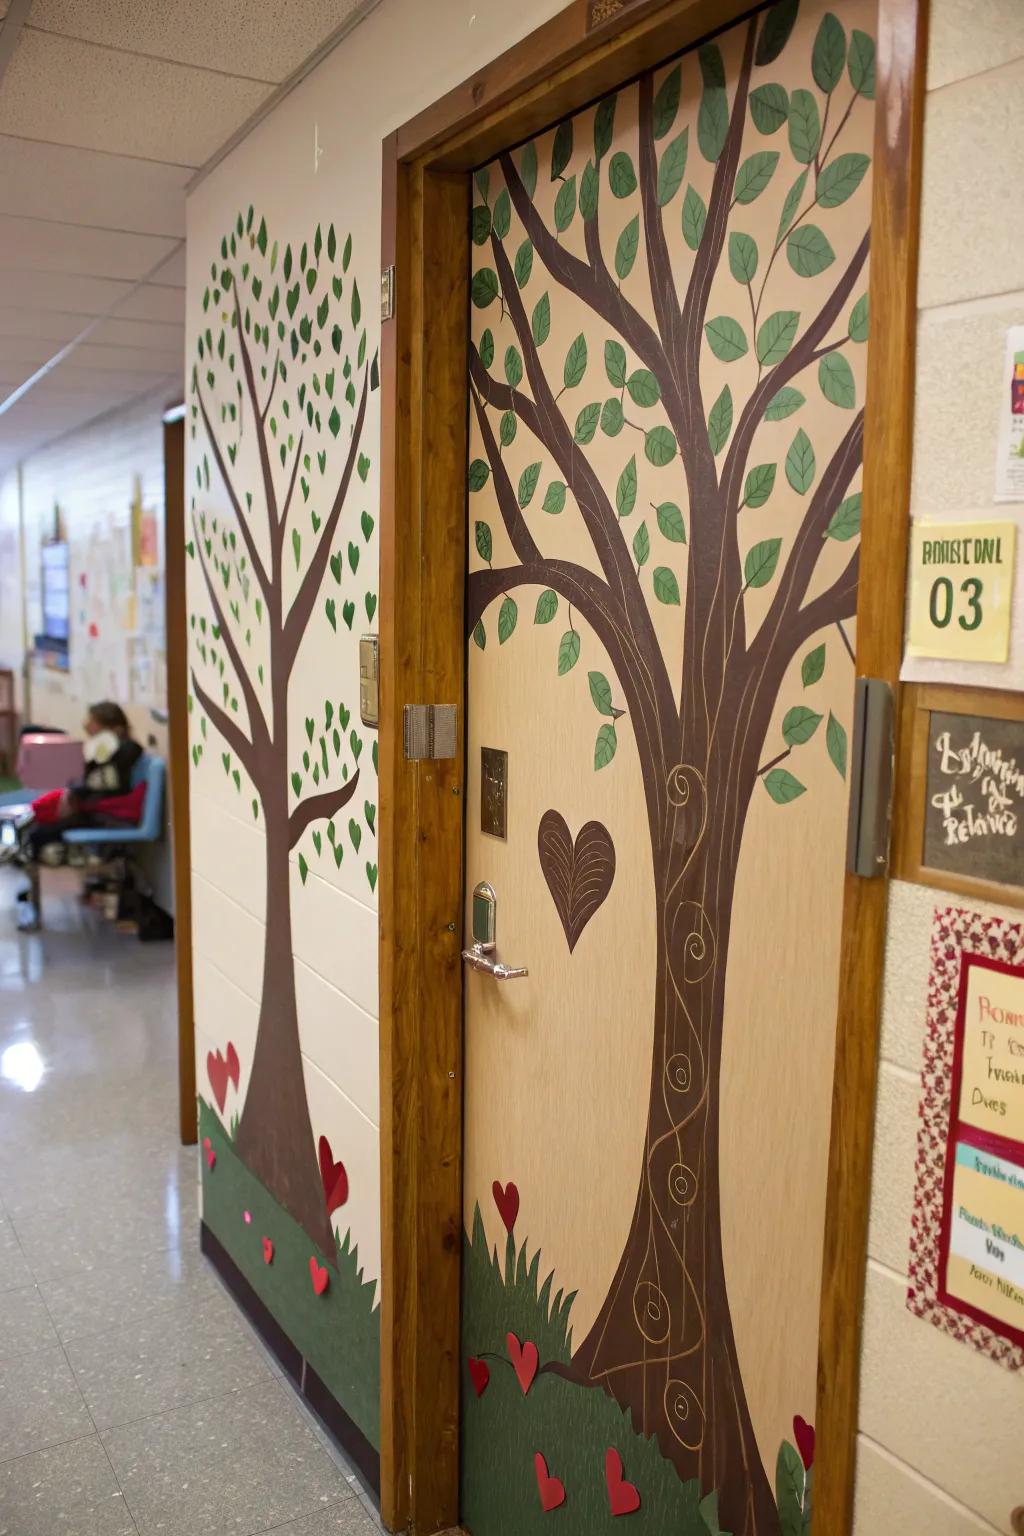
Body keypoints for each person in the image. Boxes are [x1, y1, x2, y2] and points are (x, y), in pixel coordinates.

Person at [0, 702, 143, 868]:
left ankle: (31, 873)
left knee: (40, 833)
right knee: (34, 823)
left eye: (93, 721)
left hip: (104, 813)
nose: (86, 725)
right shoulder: (101, 749)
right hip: (91, 807)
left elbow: (103, 783)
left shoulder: (127, 749)